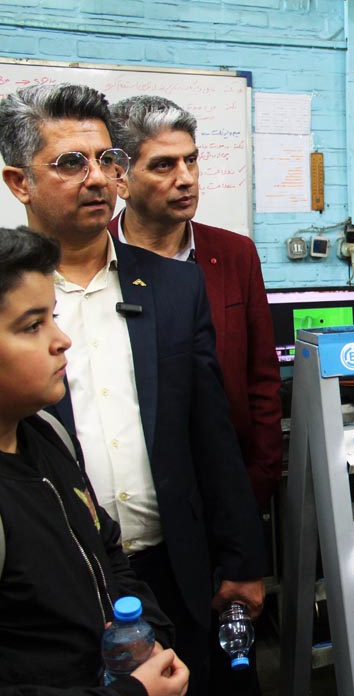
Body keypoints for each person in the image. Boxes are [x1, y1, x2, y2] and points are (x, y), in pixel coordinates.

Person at [0, 83, 265, 695]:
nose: (97, 178)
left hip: (177, 561)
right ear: (20, 183)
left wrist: (243, 559)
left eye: (106, 159)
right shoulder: (14, 301)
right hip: (59, 582)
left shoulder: (174, 288)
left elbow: (212, 435)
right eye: (71, 162)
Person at [0, 226, 189, 696]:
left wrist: (148, 638)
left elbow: (108, 553)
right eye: (32, 326)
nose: (62, 340)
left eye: (53, 318)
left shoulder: (49, 437)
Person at [106, 95, 283, 511]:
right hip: (134, 495)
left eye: (191, 160)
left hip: (225, 485)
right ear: (120, 178)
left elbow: (262, 378)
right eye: (163, 165)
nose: (186, 179)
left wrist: (261, 477)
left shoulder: (234, 254)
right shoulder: (95, 257)